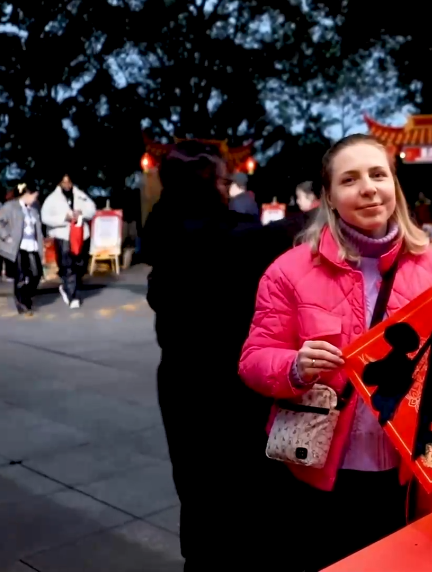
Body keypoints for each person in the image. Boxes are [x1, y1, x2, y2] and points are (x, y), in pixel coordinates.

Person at [239, 134, 432, 572]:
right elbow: (254, 359)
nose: (368, 188)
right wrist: (294, 366)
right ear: (329, 196)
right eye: (349, 179)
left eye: (378, 175)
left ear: (394, 186)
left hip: (404, 475)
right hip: (319, 474)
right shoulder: (289, 271)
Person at [141, 141, 271, 571]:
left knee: (195, 488)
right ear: (206, 183)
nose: (227, 189)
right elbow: (267, 241)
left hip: (179, 380)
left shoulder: (161, 230)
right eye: (223, 180)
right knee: (238, 488)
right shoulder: (231, 237)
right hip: (229, 382)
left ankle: (199, 559)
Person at [41, 175, 96, 309]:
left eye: (69, 181)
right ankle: (73, 296)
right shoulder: (52, 199)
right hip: (63, 236)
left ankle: (67, 287)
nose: (67, 184)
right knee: (68, 265)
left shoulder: (80, 195)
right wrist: (64, 218)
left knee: (81, 265)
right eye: (63, 182)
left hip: (81, 235)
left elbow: (92, 210)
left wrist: (81, 213)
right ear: (59, 183)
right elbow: (45, 217)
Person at [0, 184, 44, 315]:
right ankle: (22, 303)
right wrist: (5, 235)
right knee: (21, 276)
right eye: (34, 196)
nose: (35, 199)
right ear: (27, 195)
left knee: (36, 274)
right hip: (18, 245)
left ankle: (27, 295)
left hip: (32, 245)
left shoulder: (34, 209)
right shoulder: (10, 206)